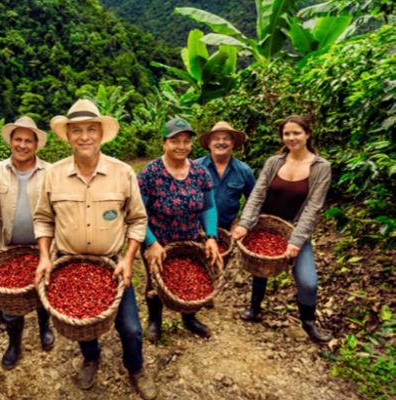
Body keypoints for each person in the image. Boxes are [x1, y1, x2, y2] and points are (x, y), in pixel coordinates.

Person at [32, 99, 154, 399]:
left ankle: (135, 367)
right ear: (68, 136)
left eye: (90, 130)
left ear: (100, 134)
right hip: (68, 264)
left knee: (131, 329)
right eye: (76, 131)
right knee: (81, 325)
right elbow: (43, 218)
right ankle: (91, 357)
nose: (84, 136)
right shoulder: (54, 174)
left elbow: (138, 219)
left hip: (111, 264)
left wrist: (127, 259)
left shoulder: (123, 172)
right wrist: (45, 257)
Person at [231, 116, 333, 343]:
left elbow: (313, 208)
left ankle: (308, 323)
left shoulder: (321, 167)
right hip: (265, 226)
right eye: (287, 134)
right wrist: (246, 224)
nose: (291, 138)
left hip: (295, 230)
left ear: (307, 134)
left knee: (308, 282)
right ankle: (254, 308)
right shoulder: (274, 162)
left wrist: (296, 241)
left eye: (296, 133)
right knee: (260, 267)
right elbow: (257, 195)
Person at [0, 116, 55, 369]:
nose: (23, 145)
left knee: (42, 293)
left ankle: (44, 328)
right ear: (11, 142)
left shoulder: (50, 171)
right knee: (11, 305)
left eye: (29, 140)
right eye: (18, 139)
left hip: (44, 249)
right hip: (10, 249)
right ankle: (14, 343)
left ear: (36, 145)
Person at [138, 117, 223, 343]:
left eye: (186, 141)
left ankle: (189, 318)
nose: (181, 146)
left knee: (191, 279)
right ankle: (155, 320)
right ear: (164, 143)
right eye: (175, 141)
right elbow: (137, 214)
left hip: (190, 239)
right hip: (158, 239)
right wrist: (151, 243)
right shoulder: (150, 174)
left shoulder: (200, 173)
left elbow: (208, 206)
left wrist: (211, 236)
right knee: (155, 281)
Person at [194, 122, 256, 230]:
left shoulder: (244, 171)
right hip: (198, 229)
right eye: (216, 138)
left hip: (229, 230)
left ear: (233, 143)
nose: (221, 142)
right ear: (209, 143)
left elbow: (254, 201)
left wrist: (241, 222)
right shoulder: (195, 168)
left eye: (226, 138)